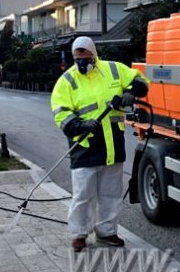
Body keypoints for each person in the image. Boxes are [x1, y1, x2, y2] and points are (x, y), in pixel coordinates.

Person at [51, 36, 148, 252]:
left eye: (85, 58)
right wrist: (80, 124)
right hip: (85, 144)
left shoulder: (114, 70)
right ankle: (79, 234)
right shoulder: (67, 81)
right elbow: (60, 112)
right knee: (83, 193)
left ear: (94, 55)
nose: (82, 62)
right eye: (78, 59)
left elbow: (140, 80)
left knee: (110, 192)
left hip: (112, 143)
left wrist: (131, 93)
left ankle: (107, 231)